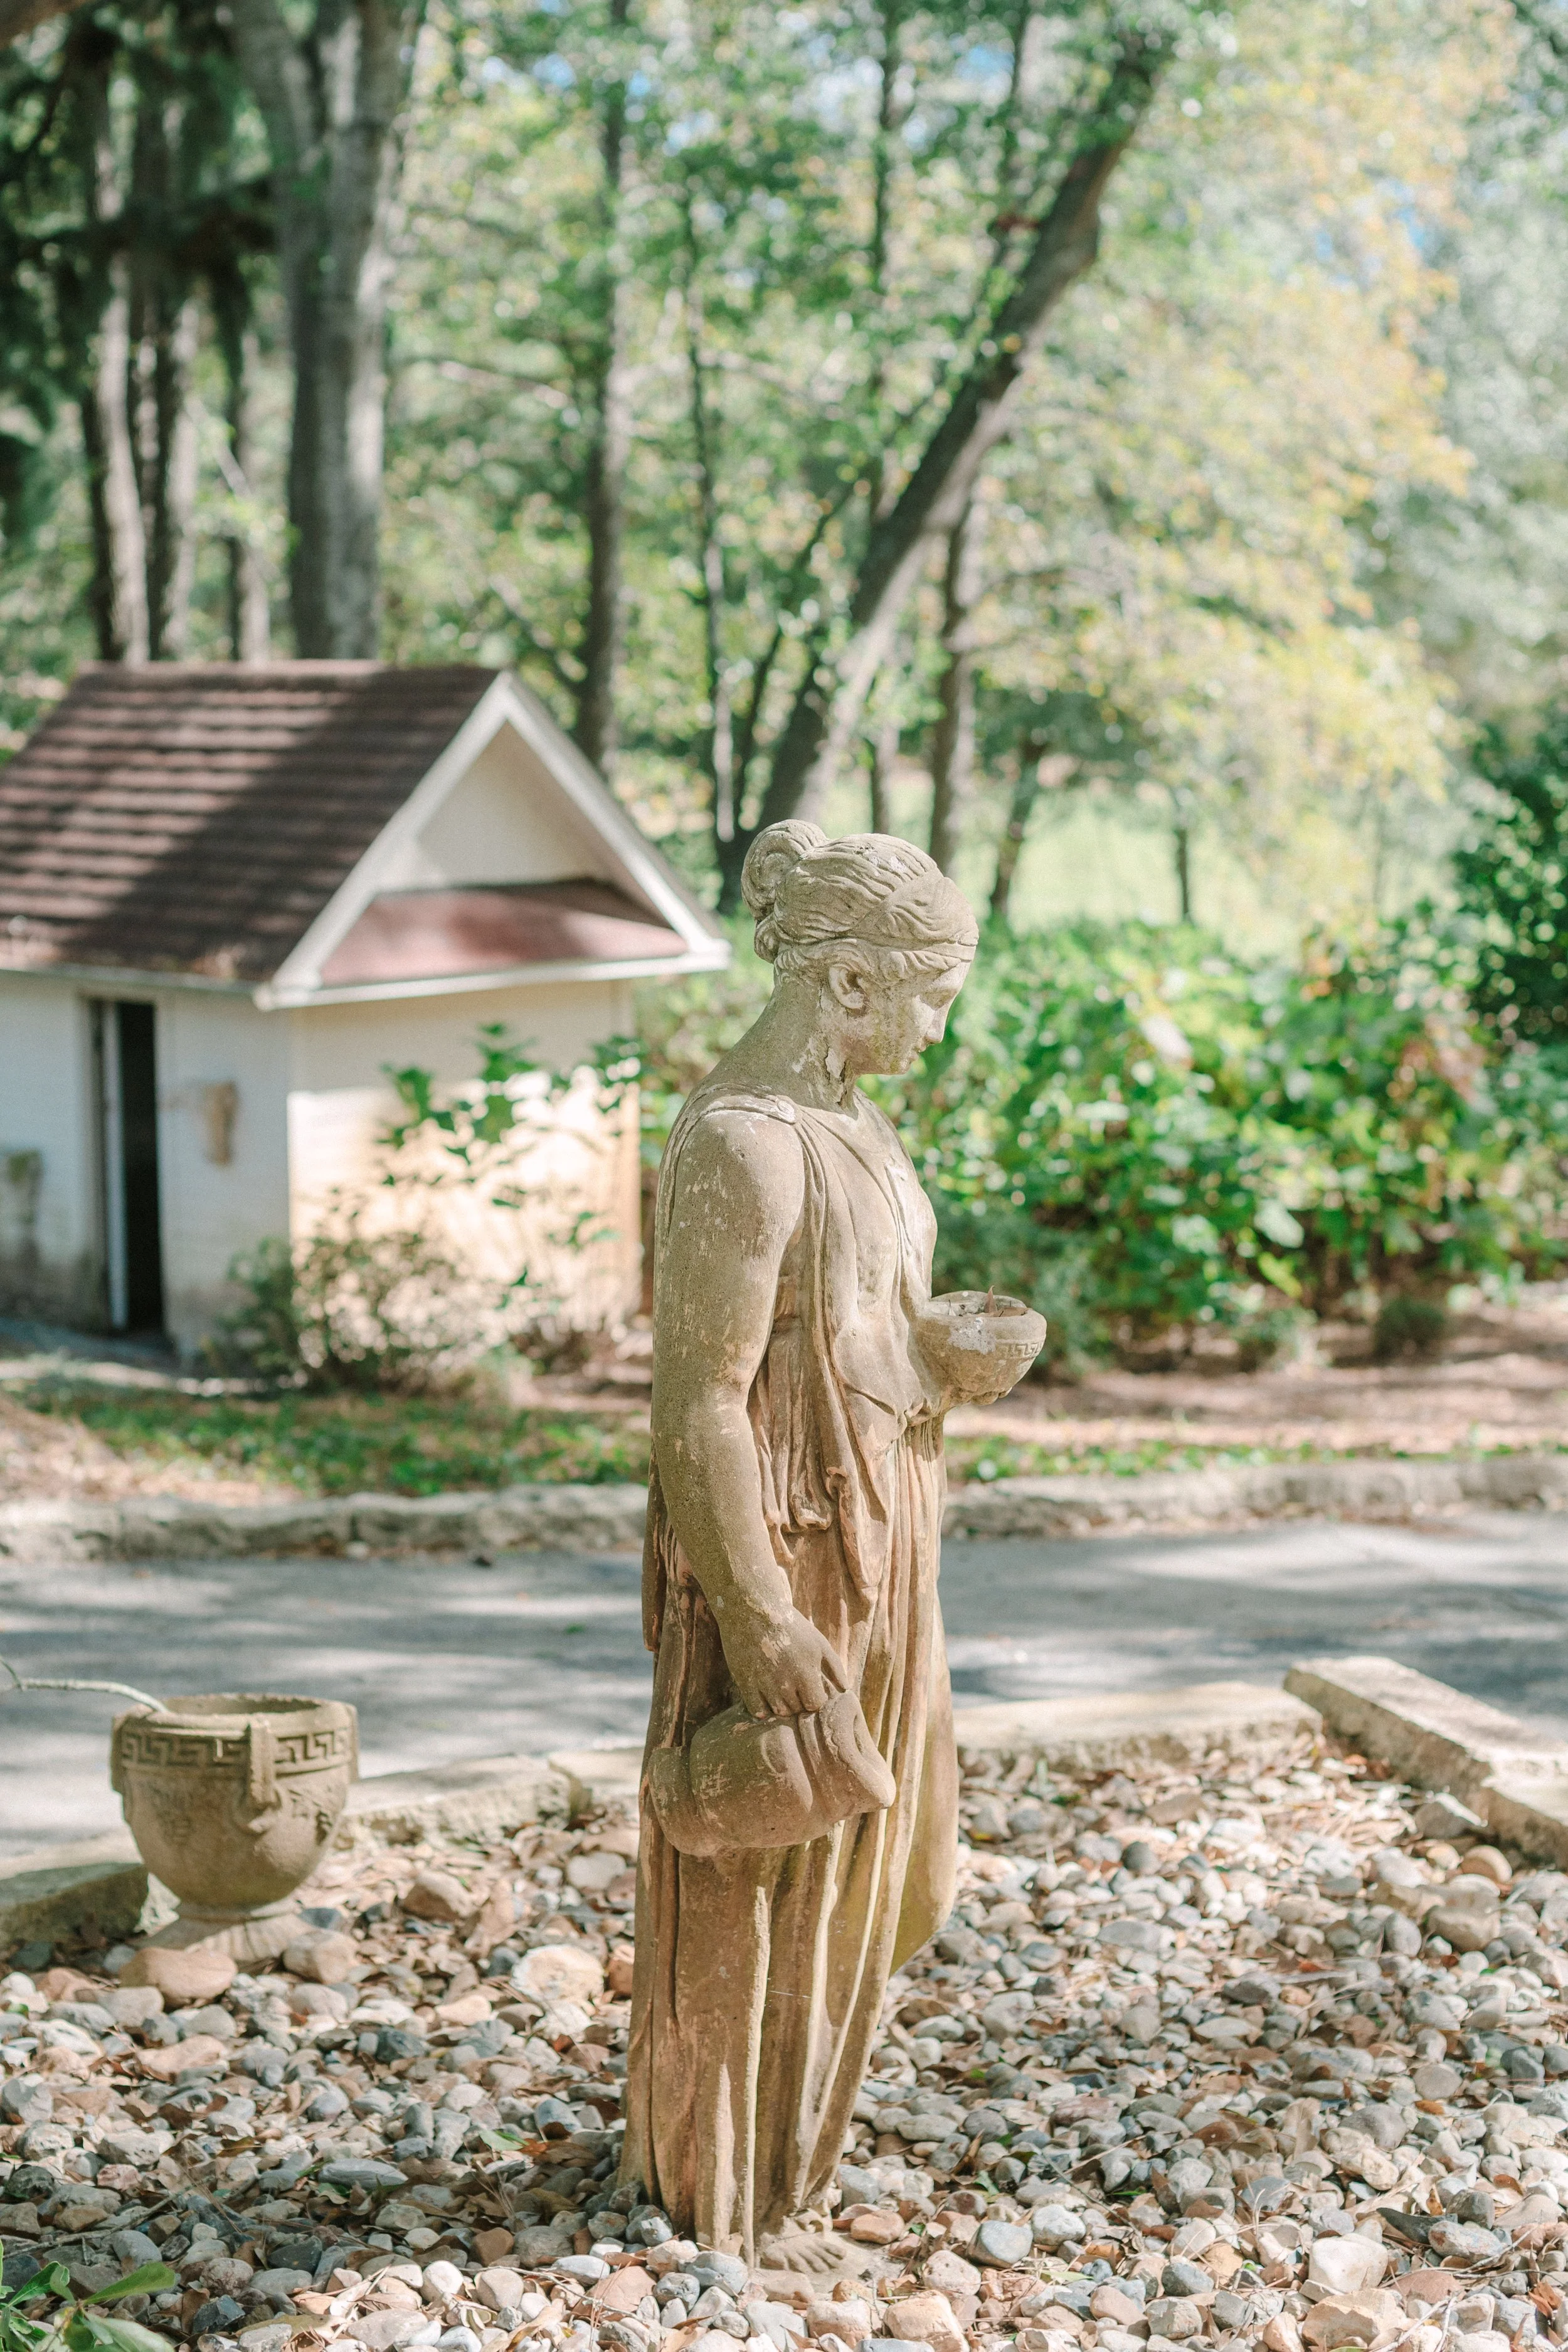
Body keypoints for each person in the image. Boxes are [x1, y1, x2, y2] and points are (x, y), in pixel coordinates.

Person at [622, 820, 1021, 2265]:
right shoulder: (743, 1142)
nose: (938, 1027)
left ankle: (790, 2170)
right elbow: (699, 1404)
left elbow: (852, 1331)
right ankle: (721, 2197)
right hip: (784, 1551)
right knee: (761, 1862)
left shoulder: (859, 1127)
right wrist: (754, 1613)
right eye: (930, 995)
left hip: (884, 1527)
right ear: (848, 981)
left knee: (874, 1864)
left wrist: (938, 1356)